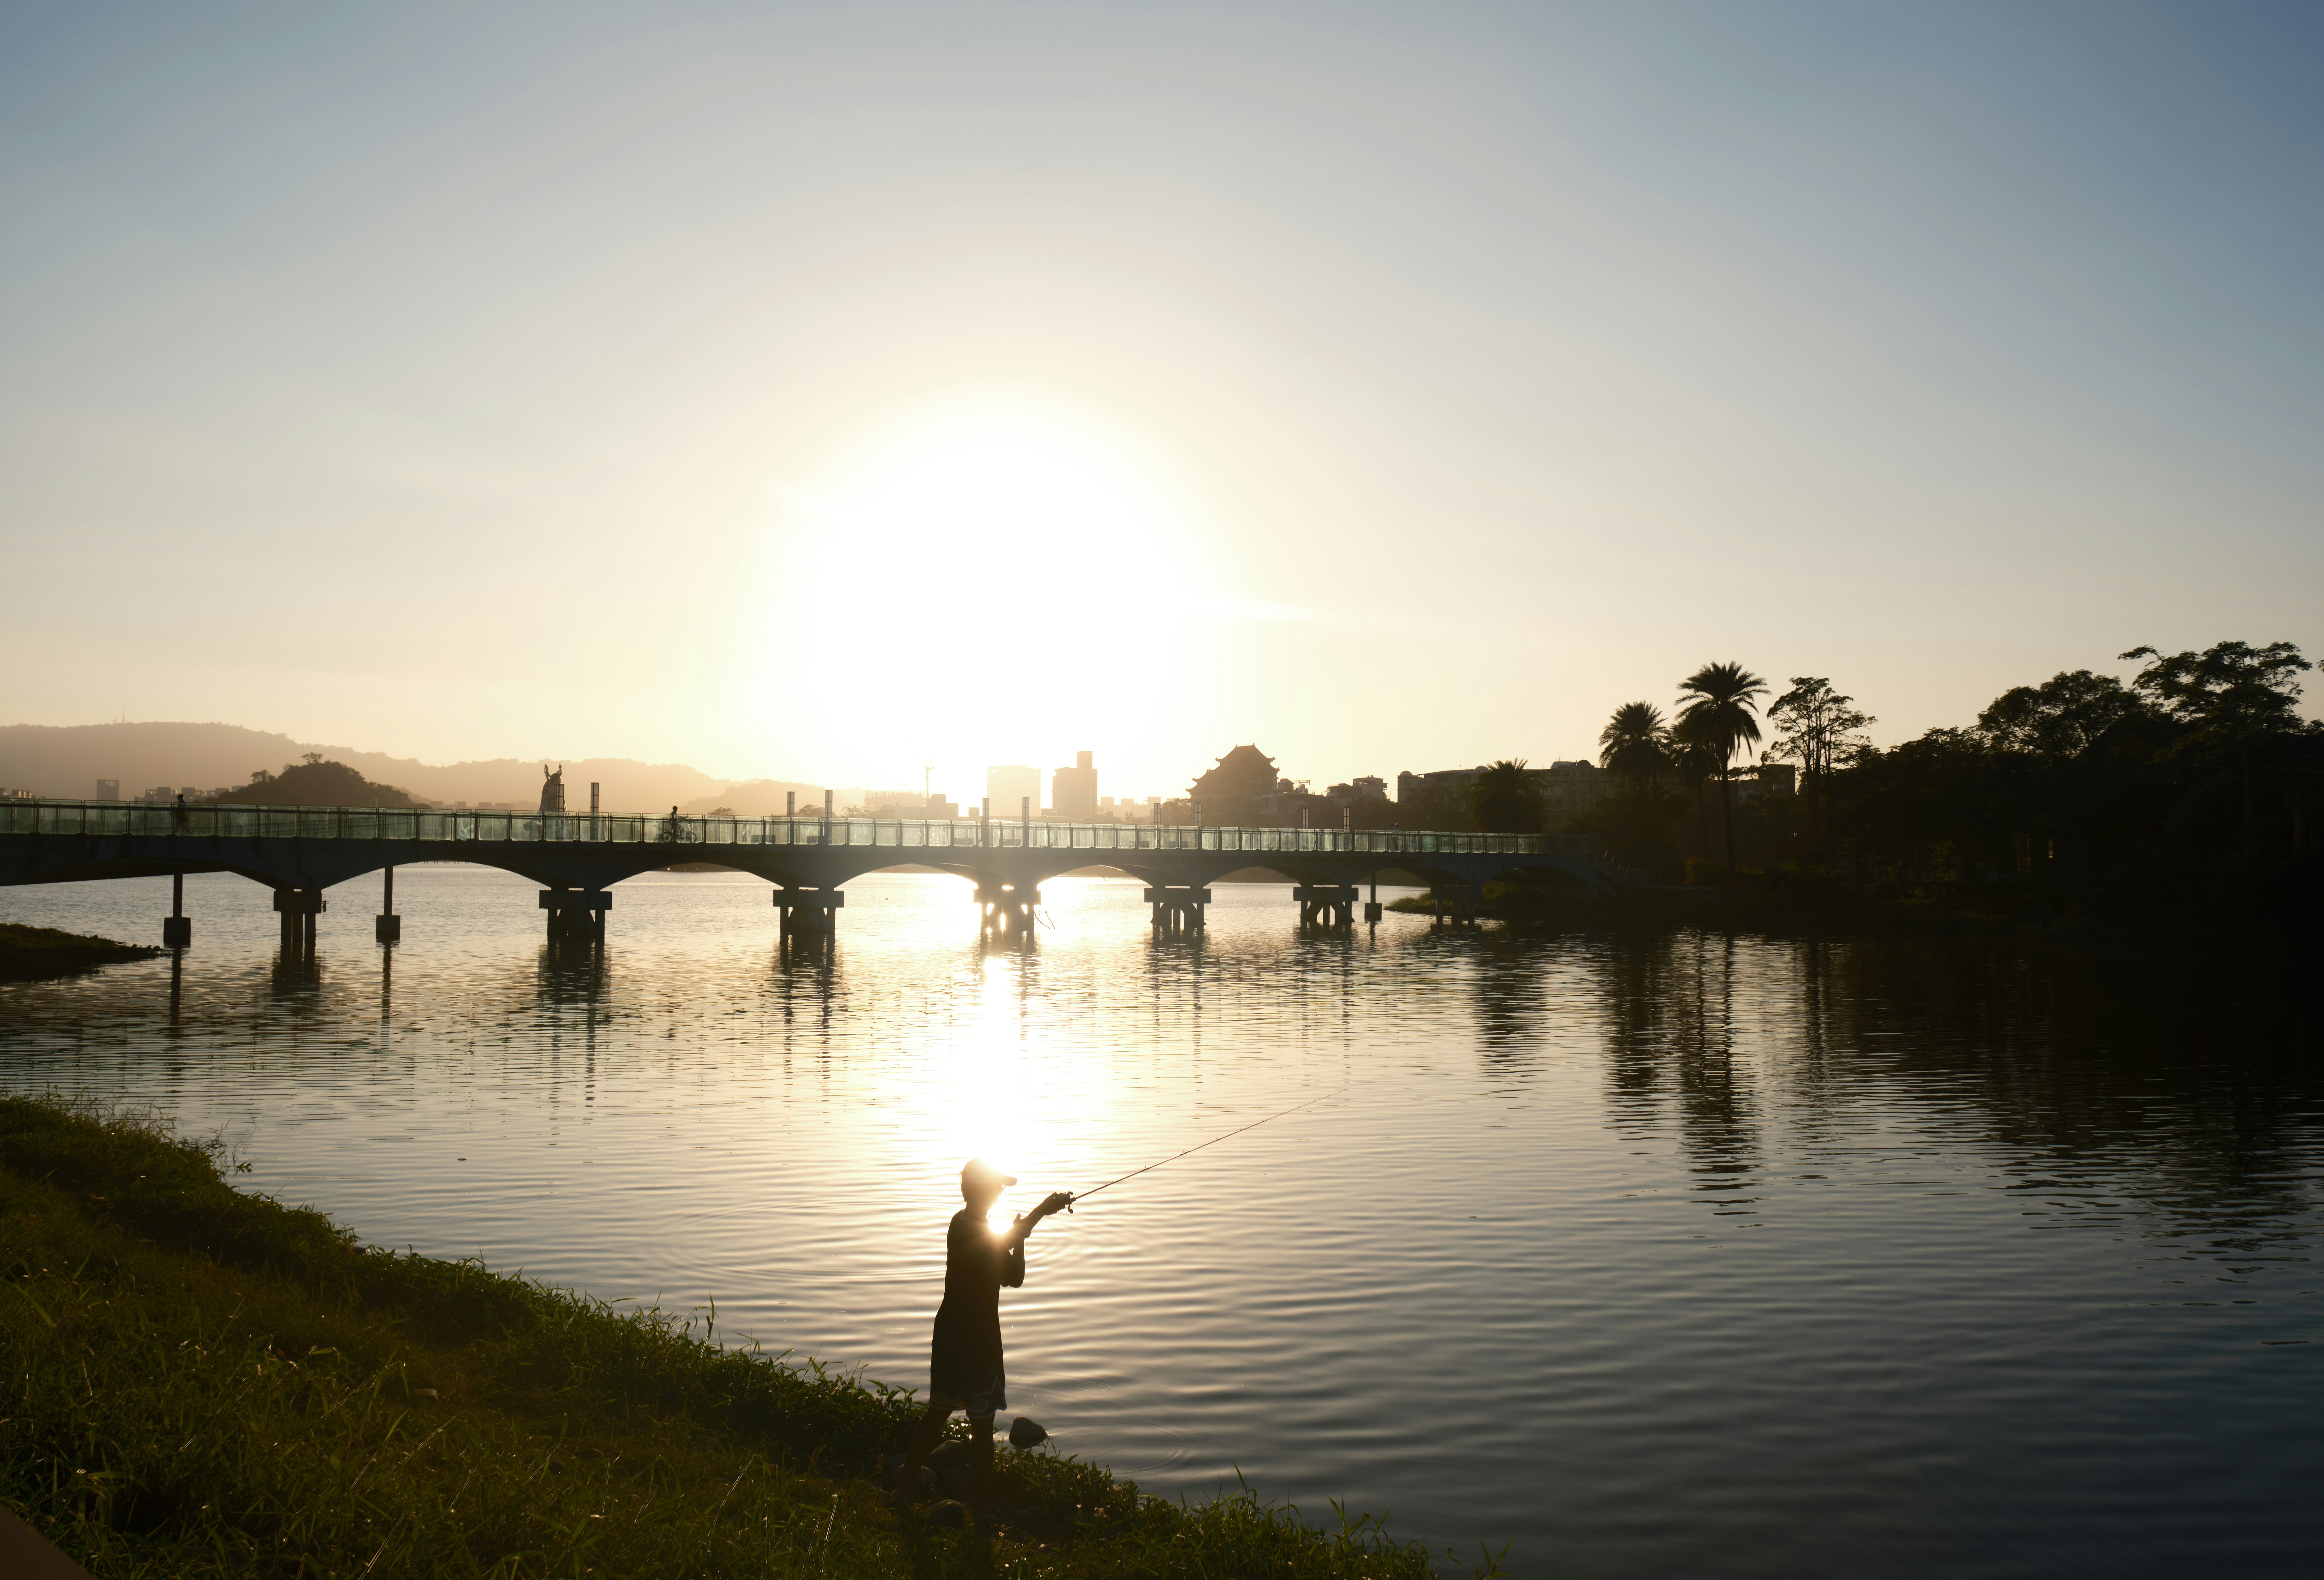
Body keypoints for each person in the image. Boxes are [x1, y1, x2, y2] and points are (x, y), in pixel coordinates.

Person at [892, 1159, 1073, 1517]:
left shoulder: (983, 1229)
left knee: (975, 1420)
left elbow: (1013, 1277)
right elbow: (998, 1249)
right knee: (943, 1414)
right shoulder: (963, 1226)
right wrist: (1035, 1216)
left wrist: (1023, 1234)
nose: (1002, 1191)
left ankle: (974, 1505)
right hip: (970, 1338)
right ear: (979, 1191)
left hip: (966, 1335)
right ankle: (909, 1490)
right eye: (997, 1186)